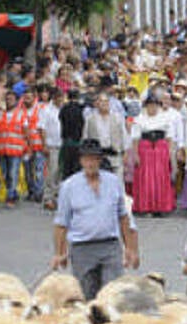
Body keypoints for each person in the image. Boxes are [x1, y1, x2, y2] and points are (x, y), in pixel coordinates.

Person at [51, 139, 140, 299]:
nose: (90, 163)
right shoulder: (69, 186)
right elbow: (61, 223)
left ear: (100, 160)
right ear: (81, 161)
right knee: (86, 297)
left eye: (94, 159)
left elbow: (123, 217)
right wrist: (59, 253)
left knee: (113, 295)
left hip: (110, 246)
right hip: (82, 248)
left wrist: (130, 249)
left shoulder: (113, 182)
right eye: (86, 159)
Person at [130, 95, 176, 216]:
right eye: (150, 105)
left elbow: (170, 137)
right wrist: (136, 155)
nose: (152, 108)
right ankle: (145, 207)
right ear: (146, 106)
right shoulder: (139, 119)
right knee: (146, 178)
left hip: (160, 149)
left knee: (161, 177)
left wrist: (169, 153)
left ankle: (160, 207)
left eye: (155, 105)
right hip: (145, 150)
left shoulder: (165, 119)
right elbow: (135, 139)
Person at [0, 88, 28, 208]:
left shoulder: (21, 114)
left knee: (13, 173)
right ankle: (14, 192)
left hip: (16, 150)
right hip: (1, 150)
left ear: (16, 101)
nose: (9, 101)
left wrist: (27, 146)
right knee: (5, 174)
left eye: (11, 99)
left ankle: (10, 197)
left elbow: (25, 131)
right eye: (7, 99)